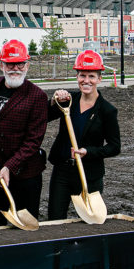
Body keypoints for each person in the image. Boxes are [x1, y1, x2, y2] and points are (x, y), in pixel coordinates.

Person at [0, 39, 48, 226]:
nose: (15, 68)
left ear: (27, 65)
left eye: (20, 63)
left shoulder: (37, 96)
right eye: (10, 63)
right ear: (2, 65)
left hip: (25, 173)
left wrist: (9, 166)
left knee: (25, 227)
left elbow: (33, 141)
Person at [47, 50, 121, 220]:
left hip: (90, 173)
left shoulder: (107, 110)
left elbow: (114, 147)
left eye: (91, 76)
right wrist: (53, 100)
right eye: (82, 75)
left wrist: (88, 152)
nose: (86, 80)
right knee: (55, 219)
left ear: (99, 79)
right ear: (77, 76)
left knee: (91, 223)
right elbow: (43, 117)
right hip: (63, 172)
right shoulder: (68, 101)